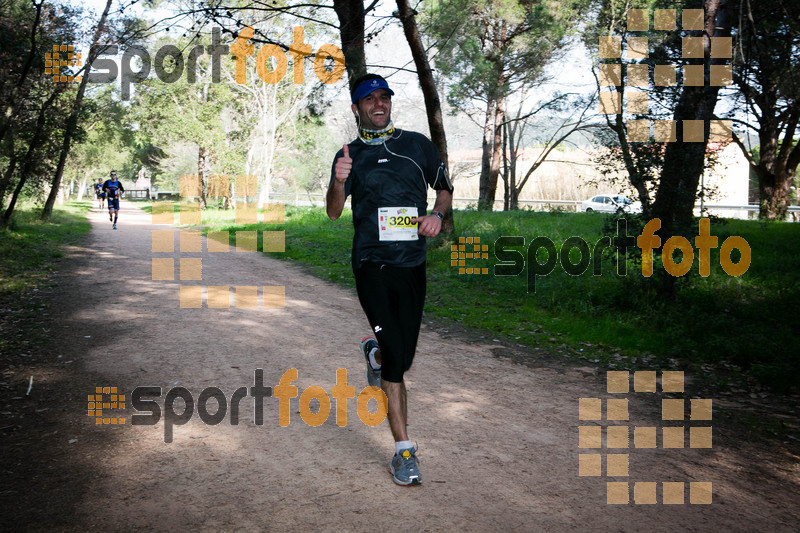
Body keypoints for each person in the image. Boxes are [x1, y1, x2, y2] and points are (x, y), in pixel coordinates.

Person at [326, 74, 453, 486]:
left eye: (384, 97)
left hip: (412, 263)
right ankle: (404, 452)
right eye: (369, 100)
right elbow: (332, 211)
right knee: (399, 362)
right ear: (356, 108)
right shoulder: (348, 154)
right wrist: (339, 179)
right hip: (371, 264)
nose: (378, 104)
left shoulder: (418, 145)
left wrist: (436, 215)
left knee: (404, 357)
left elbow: (444, 189)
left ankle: (376, 356)